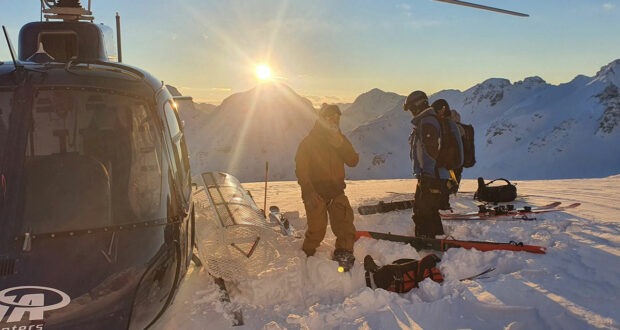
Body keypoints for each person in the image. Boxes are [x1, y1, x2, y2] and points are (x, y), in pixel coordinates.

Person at [295, 104, 359, 263]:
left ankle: (344, 253)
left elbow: (353, 161)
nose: (334, 121)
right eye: (330, 117)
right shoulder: (309, 142)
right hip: (315, 193)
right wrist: (308, 191)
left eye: (337, 118)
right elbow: (301, 170)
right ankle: (307, 255)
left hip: (336, 191)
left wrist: (340, 145)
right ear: (322, 119)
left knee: (345, 227)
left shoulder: (340, 139)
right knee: (317, 230)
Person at [404, 91, 452, 238]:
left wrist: (427, 175)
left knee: (422, 209)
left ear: (418, 106)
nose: (411, 113)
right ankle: (436, 237)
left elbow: (430, 151)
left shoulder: (427, 122)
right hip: (433, 174)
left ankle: (425, 239)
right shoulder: (427, 121)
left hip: (432, 175)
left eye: (412, 108)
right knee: (429, 209)